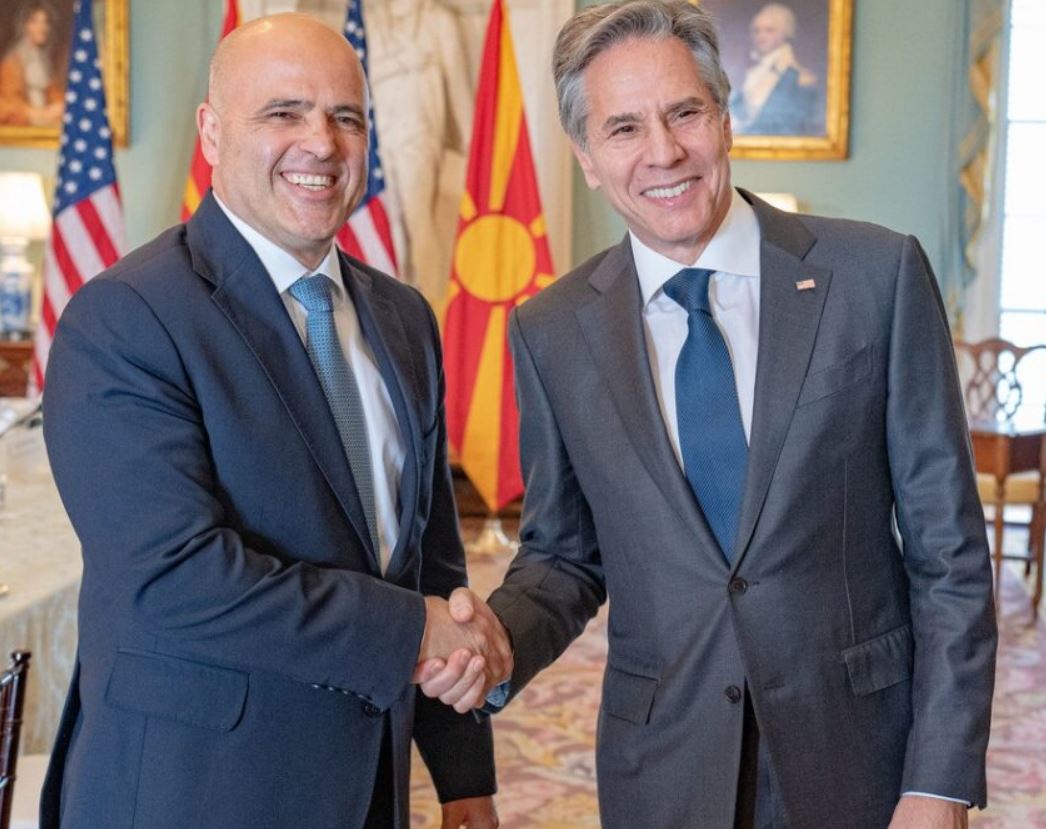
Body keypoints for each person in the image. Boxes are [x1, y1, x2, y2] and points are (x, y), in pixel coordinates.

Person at [418, 2, 997, 828]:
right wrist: (497, 639)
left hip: (860, 755)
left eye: (684, 112)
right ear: (586, 156)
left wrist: (938, 780)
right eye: (623, 128)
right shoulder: (552, 329)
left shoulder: (876, 276)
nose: (663, 152)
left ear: (724, 117)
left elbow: (950, 555)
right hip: (664, 767)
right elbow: (564, 556)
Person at [40, 13, 510, 829]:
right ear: (212, 132)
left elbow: (430, 560)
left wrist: (463, 775)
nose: (321, 143)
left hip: (367, 789)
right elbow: (175, 578)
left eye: (346, 116)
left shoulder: (403, 318)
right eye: (283, 112)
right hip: (196, 793)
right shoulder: (126, 317)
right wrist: (410, 633)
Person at [729, 3, 818, 136]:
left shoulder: (801, 79)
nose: (761, 36)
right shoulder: (751, 73)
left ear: (785, 33)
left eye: (769, 30)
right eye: (756, 31)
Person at [0, 0, 64, 127]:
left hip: (44, 119)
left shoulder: (43, 60)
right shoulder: (13, 62)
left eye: (45, 22)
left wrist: (60, 106)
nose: (42, 27)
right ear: (24, 26)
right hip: (22, 122)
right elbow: (10, 101)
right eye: (35, 22)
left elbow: (53, 92)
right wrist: (35, 113)